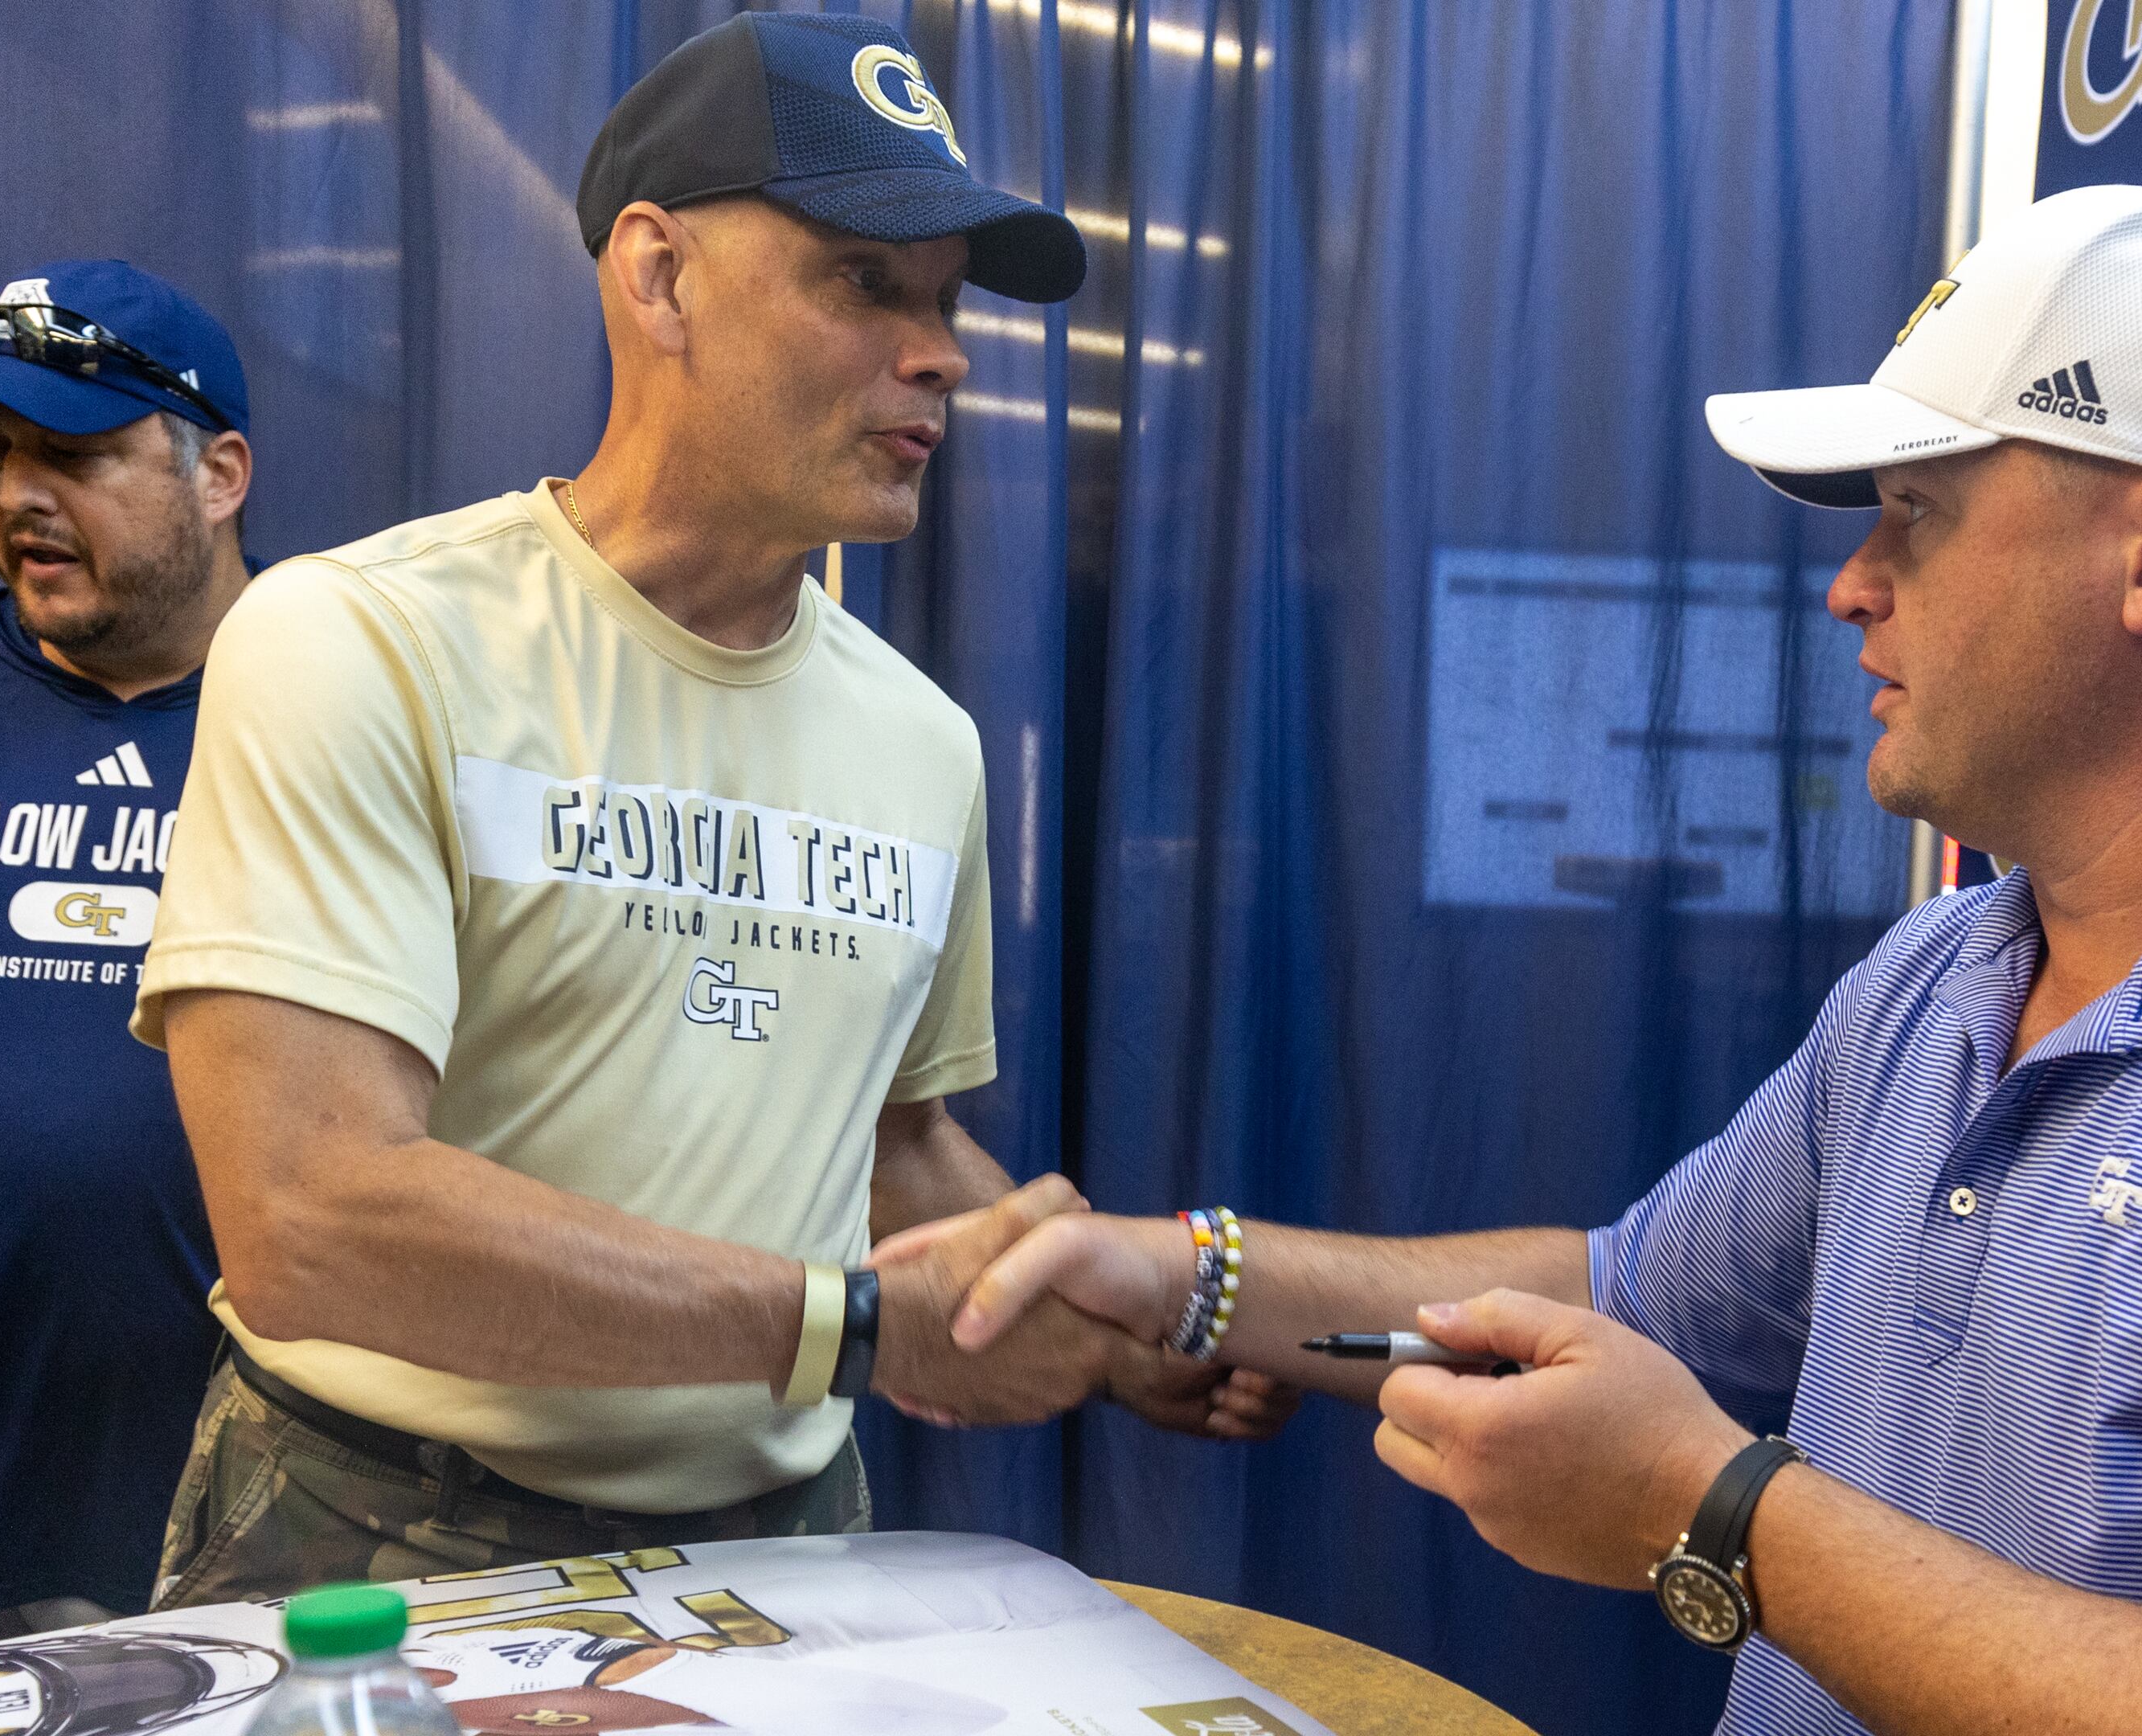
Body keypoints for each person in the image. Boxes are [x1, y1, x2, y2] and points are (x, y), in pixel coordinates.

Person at [883, 186, 2142, 1736]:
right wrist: (1188, 1272)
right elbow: (1631, 1291)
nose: (1850, 583)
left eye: (1915, 513)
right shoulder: (1940, 981)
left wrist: (1716, 1517)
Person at [129, 12, 1284, 1611]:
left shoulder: (924, 741)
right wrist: (853, 1328)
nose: (941, 353)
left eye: (946, 305)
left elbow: (884, 1143)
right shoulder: (362, 641)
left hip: (785, 1538)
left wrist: (1080, 1311)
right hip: (378, 1532)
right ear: (659, 277)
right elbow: (312, 1215)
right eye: (863, 281)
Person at [0, 261, 256, 1644]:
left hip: (282, 1534)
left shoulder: (363, 709)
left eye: (73, 453)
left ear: (220, 475)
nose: (17, 494)